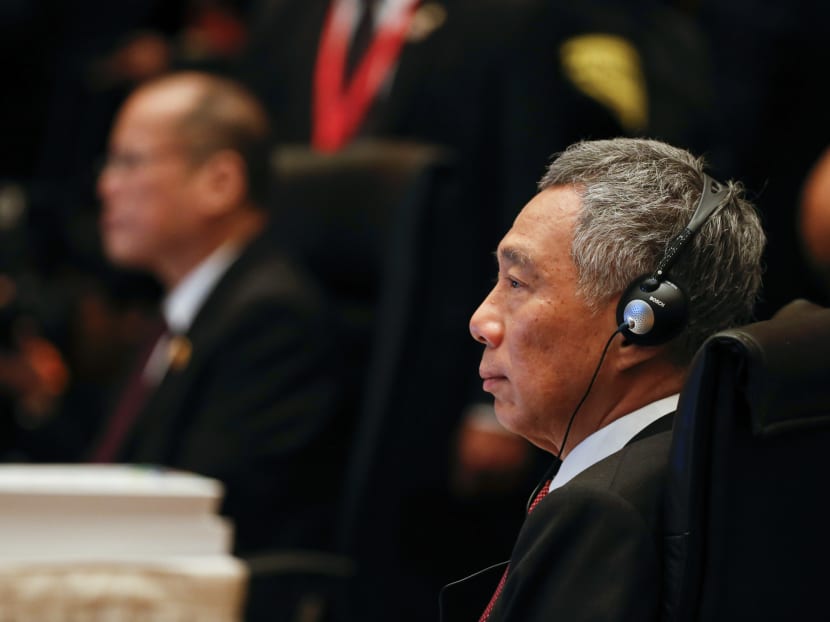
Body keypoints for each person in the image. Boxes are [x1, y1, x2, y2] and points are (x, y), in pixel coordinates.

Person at [441, 137, 766, 621]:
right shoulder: (720, 456)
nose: (480, 321)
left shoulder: (602, 512)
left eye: (517, 283)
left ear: (639, 323)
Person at [93, 70, 346, 558]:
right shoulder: (182, 312)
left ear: (220, 182)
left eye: (130, 162)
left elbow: (204, 511)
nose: (107, 186)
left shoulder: (270, 320)